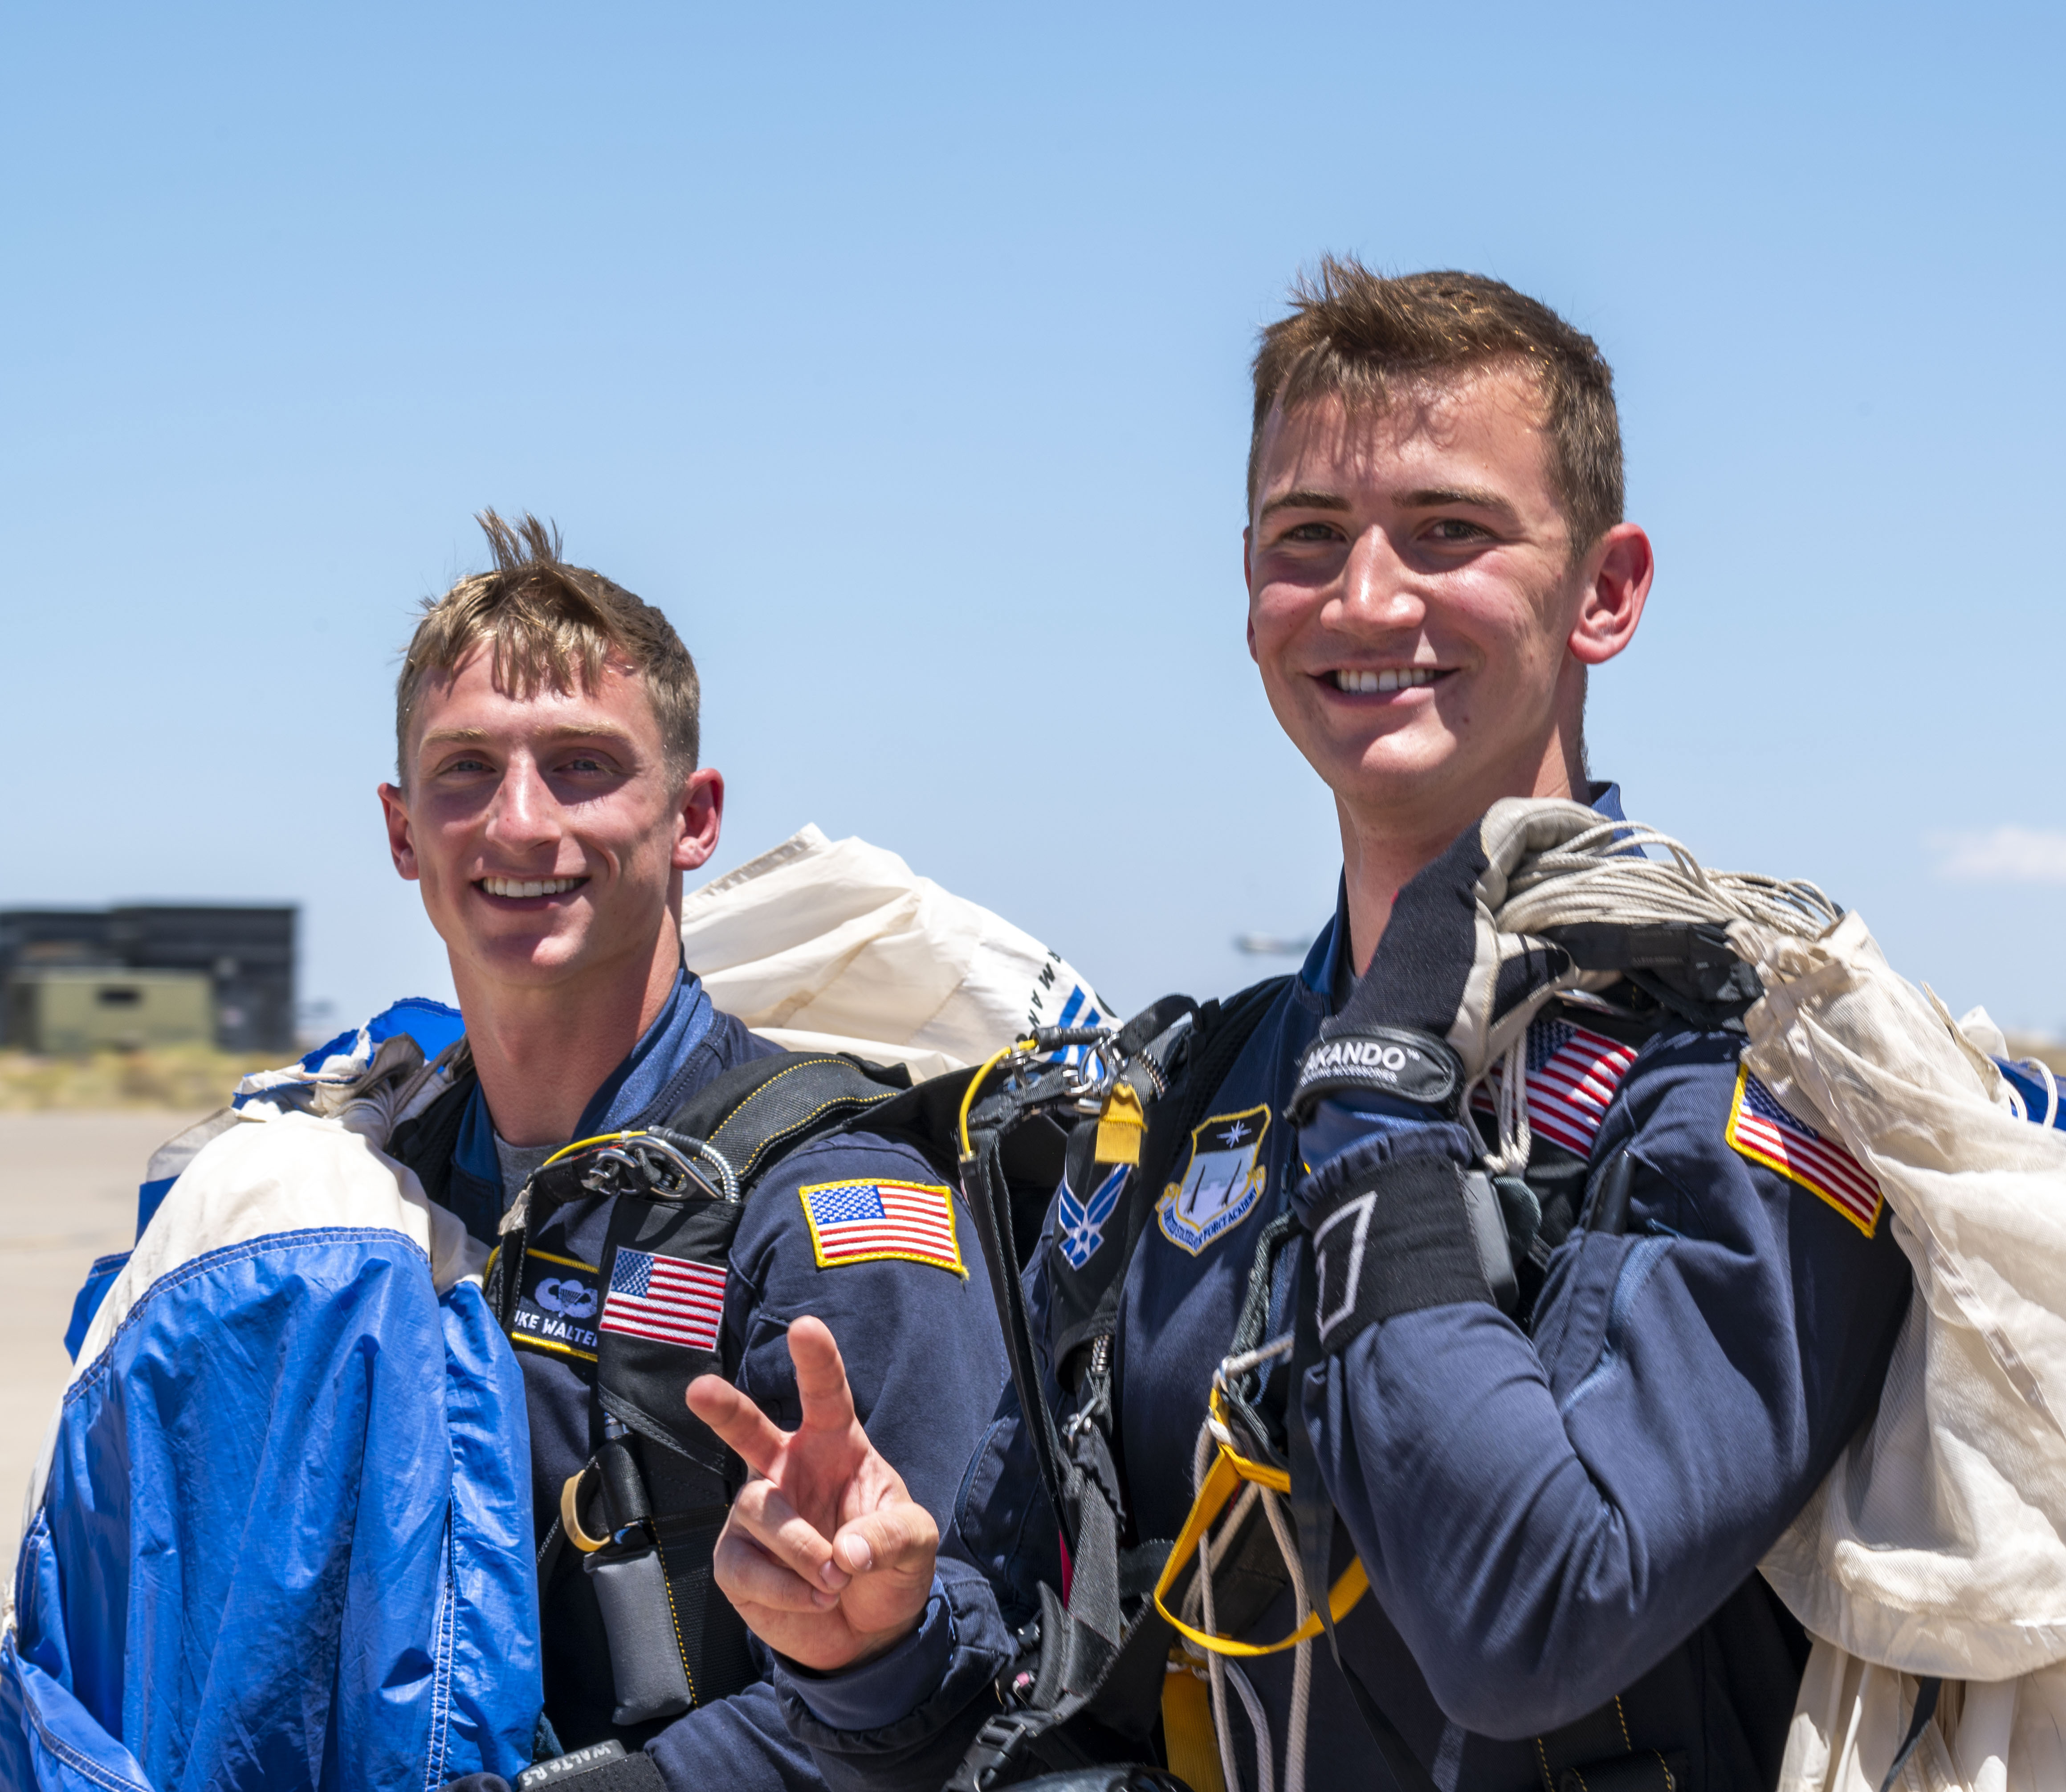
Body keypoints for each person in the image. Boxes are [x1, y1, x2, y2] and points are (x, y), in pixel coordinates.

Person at [684, 261, 1919, 1790]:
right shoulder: (1198, 1092)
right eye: (1308, 541)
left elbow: (1537, 1621)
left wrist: (1384, 1110)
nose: (1367, 599)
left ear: (1605, 591)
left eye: (1450, 532)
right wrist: (867, 1635)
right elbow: (1038, 1658)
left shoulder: (1751, 1081)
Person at [381, 513, 1010, 1792]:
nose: (517, 823)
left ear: (693, 818)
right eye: (465, 771)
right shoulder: (371, 1184)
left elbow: (970, 1674)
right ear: (402, 832)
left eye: (580, 765)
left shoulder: (826, 1197)